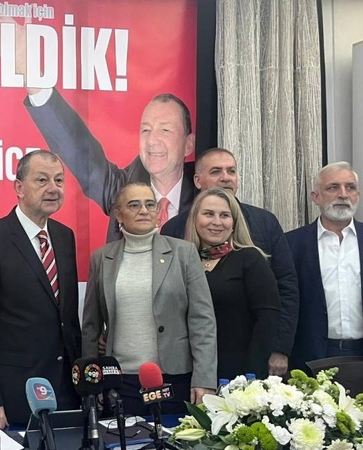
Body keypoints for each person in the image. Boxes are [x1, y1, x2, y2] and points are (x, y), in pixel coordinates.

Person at [0, 9, 195, 241]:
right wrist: (29, 70)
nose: (152, 141)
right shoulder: (123, 189)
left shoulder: (205, 190)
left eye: (165, 130)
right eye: (146, 130)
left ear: (188, 144)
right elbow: (77, 148)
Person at [0, 150, 81, 428]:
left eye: (59, 180)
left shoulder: (64, 237)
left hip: (65, 389)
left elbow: (67, 319)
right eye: (42, 180)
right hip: (15, 393)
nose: (53, 188)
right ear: (19, 187)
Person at [82, 182, 216, 416]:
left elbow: (202, 321)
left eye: (150, 204)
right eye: (134, 205)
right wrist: (91, 383)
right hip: (120, 380)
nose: (143, 211)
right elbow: (91, 327)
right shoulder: (101, 258)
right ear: (119, 214)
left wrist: (204, 380)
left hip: (173, 377)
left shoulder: (183, 253)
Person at [161, 148, 299, 376]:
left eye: (231, 171)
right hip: (186, 361)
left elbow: (285, 289)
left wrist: (279, 348)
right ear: (198, 181)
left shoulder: (264, 224)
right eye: (216, 171)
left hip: (243, 358)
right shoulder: (173, 229)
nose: (226, 177)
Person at [184, 188, 280, 379]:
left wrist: (251, 375)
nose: (217, 222)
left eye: (225, 215)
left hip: (238, 372)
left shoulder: (250, 259)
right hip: (190, 370)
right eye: (208, 214)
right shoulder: (182, 261)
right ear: (194, 219)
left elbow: (268, 319)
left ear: (234, 223)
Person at [286, 162, 363, 370]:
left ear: (357, 195)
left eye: (350, 187)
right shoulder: (292, 244)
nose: (343, 195)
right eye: (333, 187)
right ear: (315, 197)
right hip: (313, 355)